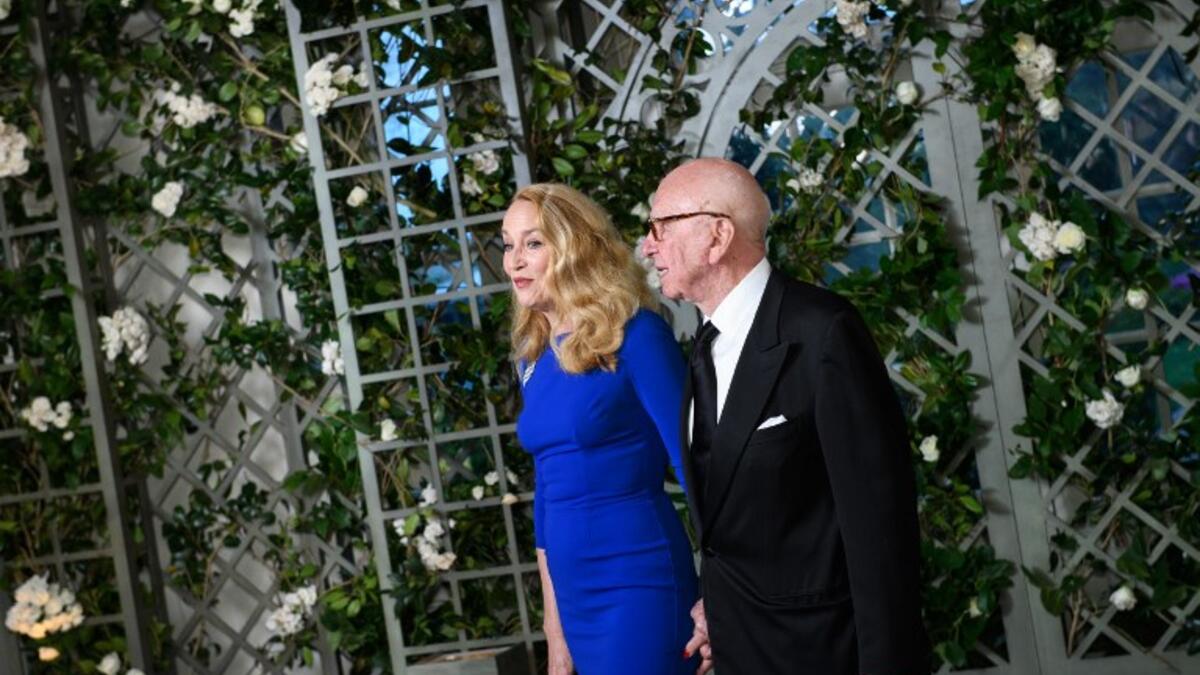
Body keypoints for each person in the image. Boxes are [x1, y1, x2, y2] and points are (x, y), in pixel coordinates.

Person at [642, 158, 930, 675]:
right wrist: (721, 615)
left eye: (661, 226)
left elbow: (880, 534)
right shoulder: (702, 348)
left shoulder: (823, 332)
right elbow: (737, 520)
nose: (648, 245)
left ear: (718, 235)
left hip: (823, 655)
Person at [503, 183, 700, 674]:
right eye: (508, 245)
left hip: (640, 582)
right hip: (572, 596)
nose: (514, 261)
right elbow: (547, 495)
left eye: (533, 243)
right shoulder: (534, 356)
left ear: (573, 247)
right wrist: (554, 627)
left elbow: (699, 466)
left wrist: (723, 592)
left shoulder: (636, 336)